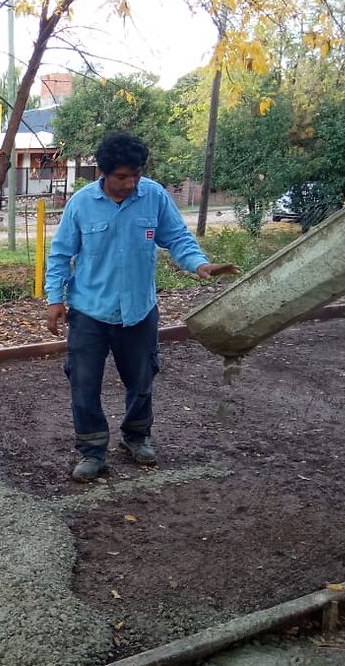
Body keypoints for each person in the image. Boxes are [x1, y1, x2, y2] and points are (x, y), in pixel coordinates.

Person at [45, 131, 239, 483]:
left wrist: (199, 263)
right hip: (89, 311)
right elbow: (60, 254)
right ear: (103, 173)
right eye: (122, 177)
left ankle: (136, 436)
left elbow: (177, 238)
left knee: (142, 379)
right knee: (84, 383)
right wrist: (55, 299)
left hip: (138, 311)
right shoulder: (81, 203)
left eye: (136, 174)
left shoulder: (154, 197)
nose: (131, 183)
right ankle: (91, 451)